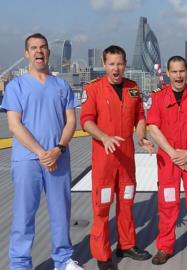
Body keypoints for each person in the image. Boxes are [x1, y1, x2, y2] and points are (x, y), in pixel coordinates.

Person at [2, 33, 83, 270]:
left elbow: (71, 121)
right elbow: (14, 124)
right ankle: (19, 264)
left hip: (58, 158)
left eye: (43, 47)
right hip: (28, 160)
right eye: (33, 48)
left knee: (61, 212)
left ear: (48, 52)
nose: (39, 51)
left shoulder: (61, 85)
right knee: (24, 215)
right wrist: (41, 152)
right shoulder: (15, 86)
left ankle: (63, 260)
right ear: (26, 54)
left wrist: (57, 149)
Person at [80, 45, 153, 270]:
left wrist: (141, 137)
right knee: (101, 207)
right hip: (104, 159)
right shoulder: (93, 89)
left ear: (125, 64)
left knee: (126, 202)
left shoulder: (133, 88)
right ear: (104, 65)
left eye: (120, 63)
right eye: (111, 64)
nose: (116, 68)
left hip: (127, 159)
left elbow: (140, 116)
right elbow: (86, 121)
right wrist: (104, 137)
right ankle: (103, 255)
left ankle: (127, 244)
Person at [146, 56, 187, 265]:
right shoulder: (158, 97)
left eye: (181, 71)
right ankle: (165, 247)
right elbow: (152, 128)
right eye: (174, 71)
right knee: (167, 204)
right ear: (167, 72)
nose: (178, 75)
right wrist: (175, 154)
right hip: (168, 162)